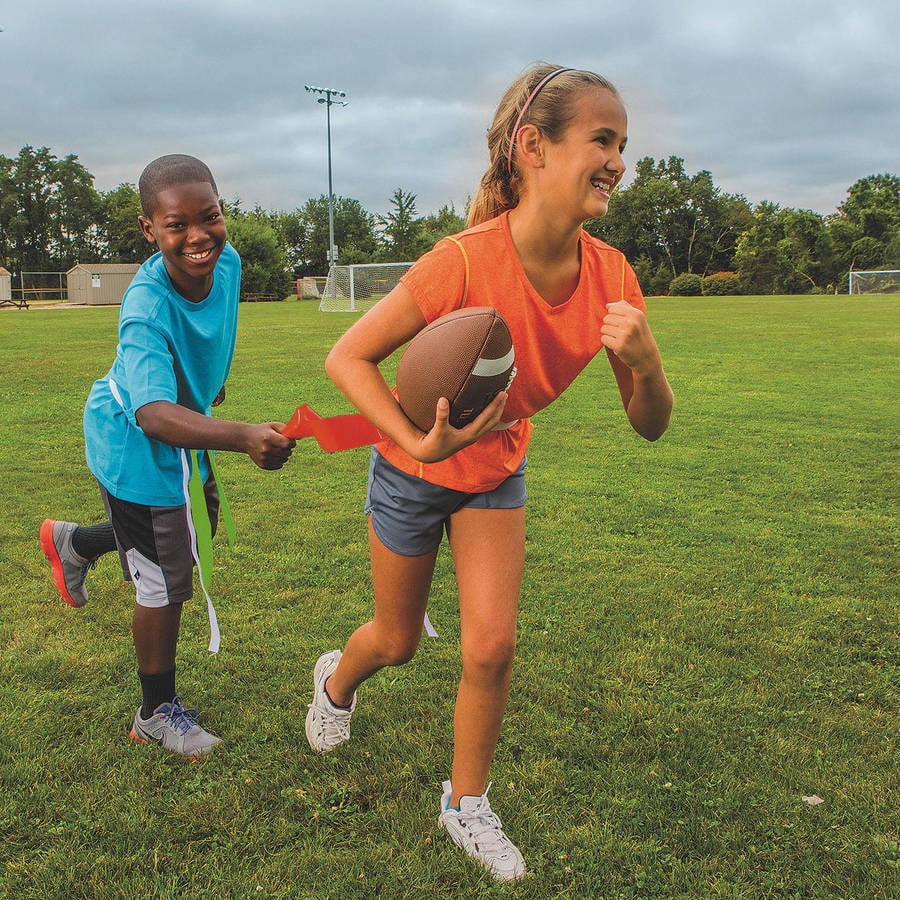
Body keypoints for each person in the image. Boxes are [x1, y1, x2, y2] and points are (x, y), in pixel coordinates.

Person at [305, 63, 674, 880]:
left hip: (495, 477)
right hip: (410, 473)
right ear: (535, 147)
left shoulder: (613, 277)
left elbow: (650, 427)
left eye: (623, 144)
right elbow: (348, 356)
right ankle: (337, 681)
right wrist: (414, 437)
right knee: (396, 642)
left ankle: (465, 802)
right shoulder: (462, 261)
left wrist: (647, 366)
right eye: (602, 141)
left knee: (492, 646)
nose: (618, 160)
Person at [40, 154, 295, 759]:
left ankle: (75, 542)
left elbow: (214, 333)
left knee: (172, 540)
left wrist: (208, 391)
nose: (198, 236)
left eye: (210, 217)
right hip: (135, 443)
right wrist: (241, 435)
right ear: (148, 230)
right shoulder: (145, 306)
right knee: (164, 582)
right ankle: (155, 712)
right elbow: (154, 414)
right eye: (176, 225)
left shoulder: (227, 262)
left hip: (182, 425)